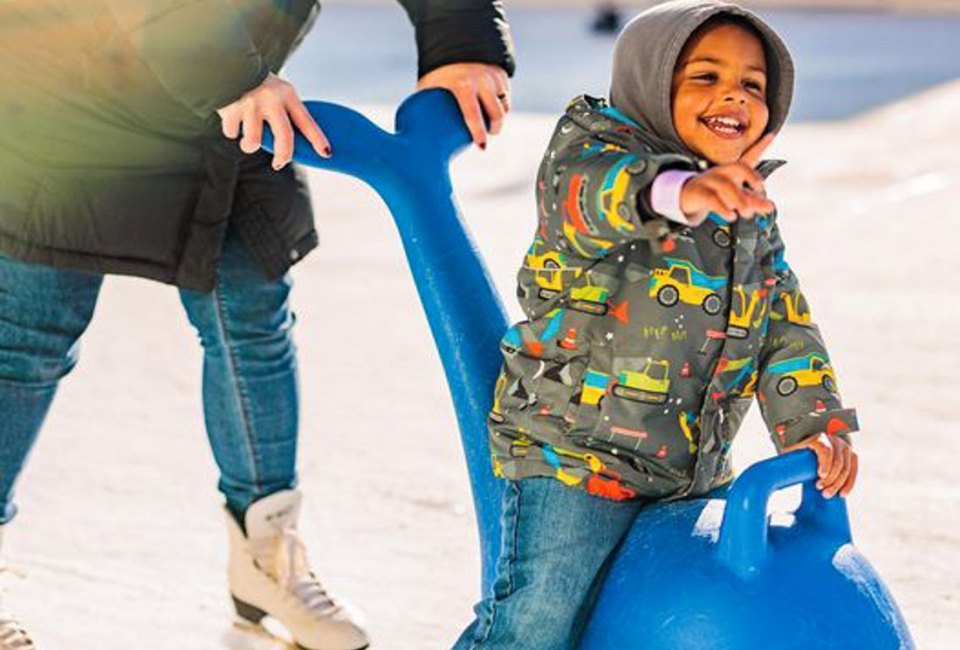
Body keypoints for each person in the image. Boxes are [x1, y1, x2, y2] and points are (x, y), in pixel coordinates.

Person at [0, 1, 514, 648]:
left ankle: (265, 558)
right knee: (27, 340)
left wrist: (462, 44)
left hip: (228, 111)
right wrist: (227, 73)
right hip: (70, 102)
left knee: (253, 325)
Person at [453, 1, 859, 648]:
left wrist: (814, 424)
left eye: (753, 84)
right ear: (650, 81)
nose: (733, 94)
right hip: (575, 459)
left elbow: (783, 323)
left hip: (690, 471)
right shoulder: (587, 158)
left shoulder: (748, 209)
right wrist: (681, 191)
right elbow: (597, 196)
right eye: (704, 76)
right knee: (535, 622)